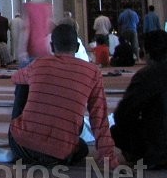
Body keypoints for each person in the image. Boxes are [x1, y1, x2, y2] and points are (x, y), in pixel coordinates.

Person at [7, 24, 118, 168]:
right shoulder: (93, 72)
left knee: (23, 83)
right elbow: (99, 117)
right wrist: (108, 158)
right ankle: (48, 157)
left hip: (22, 145)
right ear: (77, 48)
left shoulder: (39, 64)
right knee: (82, 148)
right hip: (60, 153)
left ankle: (27, 151)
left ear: (52, 47)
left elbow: (15, 78)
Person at [111, 30, 167, 168]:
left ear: (146, 52)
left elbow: (123, 113)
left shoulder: (147, 75)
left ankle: (141, 155)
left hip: (158, 148)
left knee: (115, 130)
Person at [19, 0, 54, 64]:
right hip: (46, 46)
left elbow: (26, 28)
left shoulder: (28, 7)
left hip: (32, 46)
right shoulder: (48, 7)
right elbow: (50, 27)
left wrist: (22, 50)